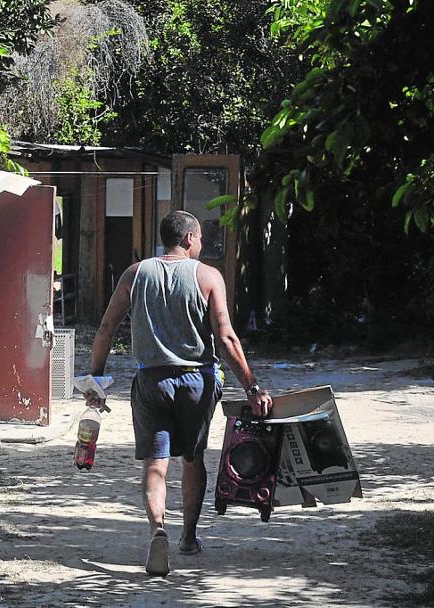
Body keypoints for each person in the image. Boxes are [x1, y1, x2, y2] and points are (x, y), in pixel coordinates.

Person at [86, 210, 273, 576]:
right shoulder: (207, 276)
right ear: (189, 238)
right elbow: (225, 337)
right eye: (200, 238)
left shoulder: (135, 274)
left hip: (151, 381)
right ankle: (188, 537)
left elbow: (106, 328)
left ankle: (158, 530)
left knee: (155, 464)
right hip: (196, 382)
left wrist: (96, 379)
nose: (201, 244)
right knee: (192, 458)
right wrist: (251, 387)